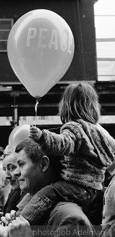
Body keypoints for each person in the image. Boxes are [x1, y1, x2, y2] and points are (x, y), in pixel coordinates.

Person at [18, 82, 115, 226]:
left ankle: (21, 221)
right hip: (93, 188)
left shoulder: (75, 128)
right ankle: (19, 211)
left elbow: (63, 144)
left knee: (48, 192)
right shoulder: (100, 132)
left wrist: (42, 136)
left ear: (66, 106)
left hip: (76, 184)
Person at [0, 138, 95, 237]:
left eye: (21, 164)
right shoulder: (30, 208)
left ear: (43, 164)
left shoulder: (69, 217)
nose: (16, 173)